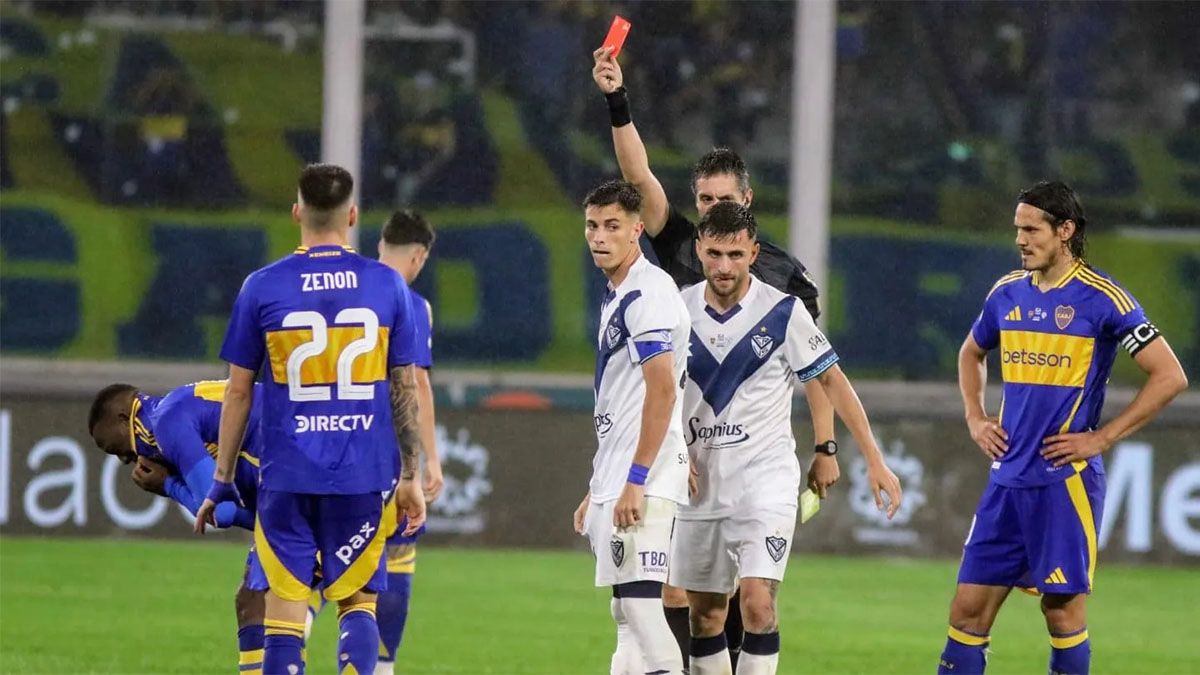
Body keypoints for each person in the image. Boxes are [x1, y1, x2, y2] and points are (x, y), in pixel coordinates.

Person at [592, 44, 841, 667]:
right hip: (681, 451)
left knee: (742, 600)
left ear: (748, 201)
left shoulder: (781, 275)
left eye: (719, 199)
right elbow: (639, 176)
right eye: (701, 200)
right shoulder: (679, 246)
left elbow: (815, 368)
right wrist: (616, 98)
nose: (709, 212)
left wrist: (826, 445)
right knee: (682, 597)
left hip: (751, 456)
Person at [939, 181, 1188, 674]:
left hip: (1063, 482)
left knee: (1062, 612)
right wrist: (975, 414)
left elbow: (1170, 376)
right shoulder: (1006, 292)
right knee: (966, 612)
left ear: (1065, 230)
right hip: (1006, 479)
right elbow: (972, 351)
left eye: (1031, 229)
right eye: (1017, 229)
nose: (1021, 240)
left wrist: (1102, 438)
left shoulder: (1104, 299)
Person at [195, 163, 426, 675]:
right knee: (358, 601)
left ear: (297, 211)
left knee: (285, 605)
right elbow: (404, 387)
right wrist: (411, 474)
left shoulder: (261, 286)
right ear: (353, 215)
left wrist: (223, 477)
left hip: (288, 474)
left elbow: (237, 392)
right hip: (363, 473)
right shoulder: (388, 286)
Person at [675, 202, 903, 674]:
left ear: (754, 253)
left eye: (736, 255)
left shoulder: (783, 312)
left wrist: (872, 459)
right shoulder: (676, 312)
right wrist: (673, 451)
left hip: (766, 481)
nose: (723, 266)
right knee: (706, 616)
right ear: (698, 250)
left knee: (756, 605)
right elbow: (653, 392)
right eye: (714, 253)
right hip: (699, 486)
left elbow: (832, 382)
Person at [87, 380, 321, 675]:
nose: (122, 458)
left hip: (305, 473)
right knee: (256, 601)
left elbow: (221, 512)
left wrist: (168, 486)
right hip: (310, 461)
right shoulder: (172, 410)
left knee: (271, 602)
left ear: (123, 418)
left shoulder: (166, 423)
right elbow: (256, 514)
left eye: (109, 446)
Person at [573, 179, 691, 675]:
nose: (600, 236)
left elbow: (662, 389)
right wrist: (599, 487)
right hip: (619, 473)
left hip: (646, 476)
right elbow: (626, 399)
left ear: (637, 230)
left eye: (612, 226)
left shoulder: (647, 292)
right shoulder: (618, 291)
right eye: (592, 226)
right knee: (624, 610)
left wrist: (636, 481)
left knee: (643, 606)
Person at [375, 209, 444, 674]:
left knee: (315, 564)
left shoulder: (346, 289)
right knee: (397, 552)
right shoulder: (411, 303)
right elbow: (416, 383)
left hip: (320, 446)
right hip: (382, 453)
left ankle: (284, 658)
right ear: (418, 256)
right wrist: (427, 460)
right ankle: (381, 667)